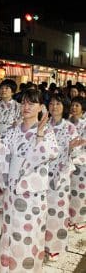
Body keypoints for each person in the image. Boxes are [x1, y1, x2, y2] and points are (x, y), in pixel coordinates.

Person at [0, 89, 59, 272]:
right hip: (12, 191)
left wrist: (39, 135)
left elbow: (50, 153)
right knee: (9, 233)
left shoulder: (46, 131)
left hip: (31, 194)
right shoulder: (14, 130)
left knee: (27, 235)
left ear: (41, 107)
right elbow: (0, 154)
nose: (26, 107)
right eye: (23, 103)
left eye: (31, 103)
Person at [45, 93, 84, 261]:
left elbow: (76, 151)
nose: (54, 107)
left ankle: (54, 246)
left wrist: (70, 148)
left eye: (58, 104)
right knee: (43, 209)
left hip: (61, 173)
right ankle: (42, 243)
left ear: (64, 107)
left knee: (57, 210)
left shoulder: (70, 128)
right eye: (52, 103)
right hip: (43, 172)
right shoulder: (44, 125)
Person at [0, 79, 21, 215]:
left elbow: (22, 123)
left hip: (11, 142)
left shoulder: (19, 107)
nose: (3, 90)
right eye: (2, 88)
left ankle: (10, 200)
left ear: (13, 91)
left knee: (9, 172)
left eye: (7, 88)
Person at [68, 96, 86, 233]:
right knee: (67, 191)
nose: (74, 108)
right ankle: (70, 217)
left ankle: (79, 219)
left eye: (77, 106)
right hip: (66, 161)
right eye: (73, 105)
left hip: (81, 162)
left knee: (79, 192)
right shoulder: (66, 122)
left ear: (83, 108)